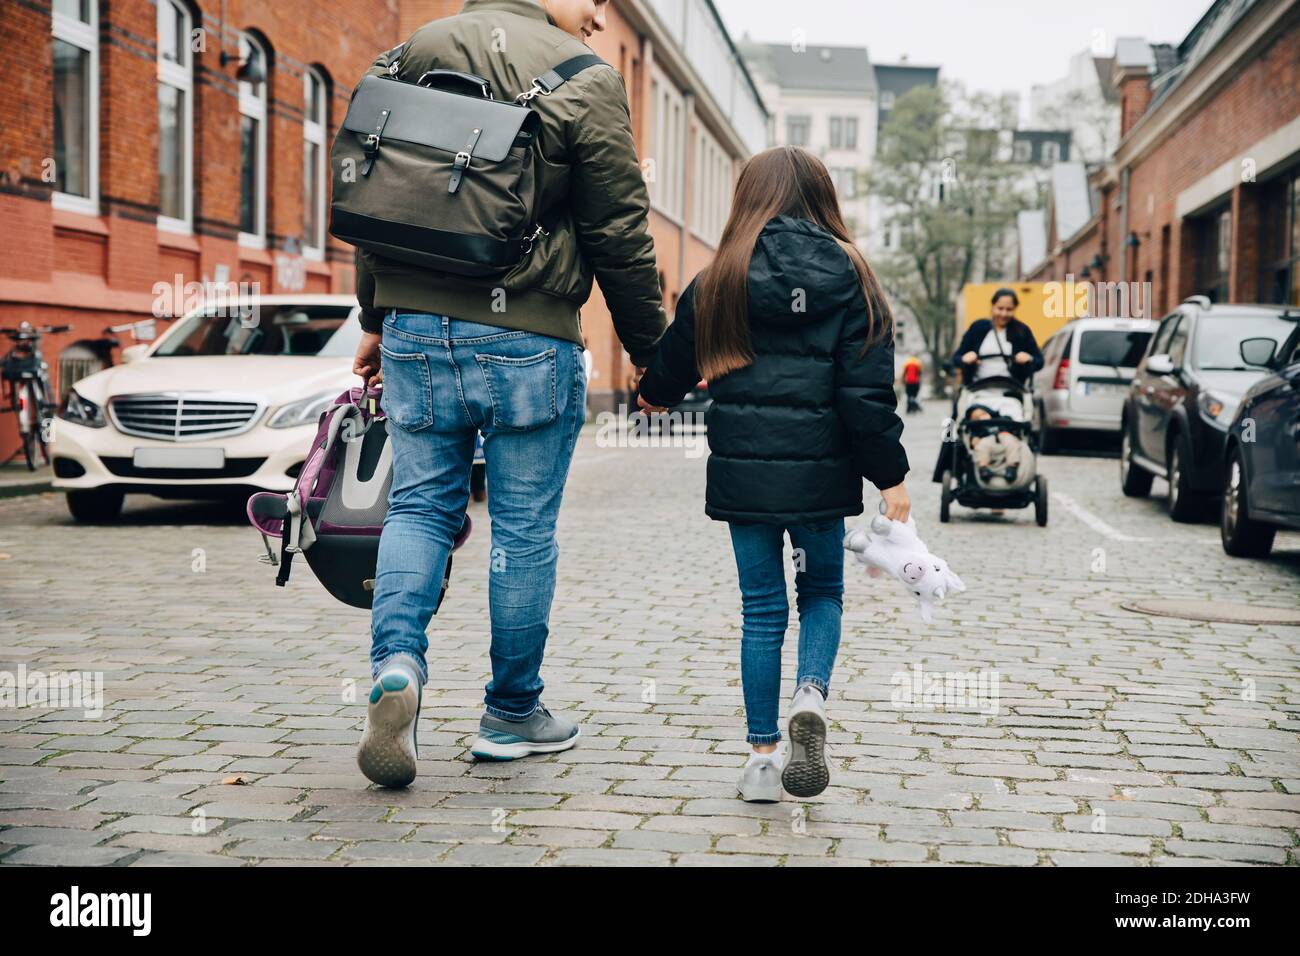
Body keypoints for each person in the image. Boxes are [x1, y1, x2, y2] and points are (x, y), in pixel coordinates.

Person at [350, 0, 667, 788]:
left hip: (416, 328)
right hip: (529, 334)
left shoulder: (407, 53)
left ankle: (397, 666)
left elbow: (377, 193)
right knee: (522, 532)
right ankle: (511, 713)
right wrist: (653, 356)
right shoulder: (586, 82)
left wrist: (376, 314)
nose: (598, 15)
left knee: (419, 506)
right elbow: (620, 232)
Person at [636, 146, 910, 803]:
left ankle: (762, 761)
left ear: (748, 198)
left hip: (746, 477)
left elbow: (663, 384)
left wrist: (653, 391)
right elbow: (867, 397)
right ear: (823, 197)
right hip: (821, 479)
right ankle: (810, 694)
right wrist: (892, 477)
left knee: (761, 612)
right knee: (820, 594)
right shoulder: (854, 277)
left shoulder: (720, 278)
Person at [933, 287, 1042, 484]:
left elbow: (1039, 361)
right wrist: (966, 358)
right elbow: (957, 358)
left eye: (1009, 309)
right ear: (992, 307)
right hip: (978, 392)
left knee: (1014, 426)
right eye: (1000, 308)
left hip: (1010, 393)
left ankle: (1010, 468)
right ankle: (966, 468)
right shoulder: (978, 329)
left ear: (1014, 310)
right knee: (960, 425)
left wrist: (1028, 358)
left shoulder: (1022, 332)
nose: (1004, 313)